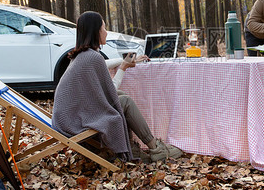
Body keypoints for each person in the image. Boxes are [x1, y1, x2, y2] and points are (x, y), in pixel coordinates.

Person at [52, 11, 182, 163]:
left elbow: (103, 66)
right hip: (73, 121)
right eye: (104, 28)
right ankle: (155, 148)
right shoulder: (92, 57)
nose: (106, 32)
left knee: (120, 96)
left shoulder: (82, 56)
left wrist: (124, 62)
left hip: (68, 116)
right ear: (96, 31)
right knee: (124, 101)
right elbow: (110, 92)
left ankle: (134, 148)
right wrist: (123, 68)